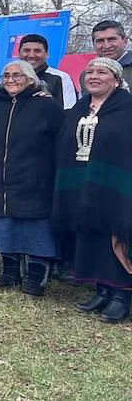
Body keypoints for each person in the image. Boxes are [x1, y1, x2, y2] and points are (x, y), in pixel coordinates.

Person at [0, 59, 64, 296]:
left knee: (36, 231)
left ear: (30, 79)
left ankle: (37, 278)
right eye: (6, 75)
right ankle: (10, 273)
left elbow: (62, 142)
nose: (10, 80)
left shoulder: (46, 106)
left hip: (35, 179)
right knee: (5, 226)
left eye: (17, 75)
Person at [53, 57, 132, 323]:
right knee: (90, 232)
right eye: (90, 72)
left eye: (102, 72)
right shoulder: (80, 106)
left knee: (115, 233)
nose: (94, 76)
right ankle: (101, 289)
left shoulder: (126, 108)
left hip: (115, 182)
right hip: (82, 180)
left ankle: (121, 294)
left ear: (116, 79)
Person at [17, 33, 77, 109]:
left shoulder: (61, 78)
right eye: (26, 50)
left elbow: (69, 111)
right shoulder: (9, 79)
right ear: (18, 54)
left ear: (46, 54)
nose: (31, 55)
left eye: (37, 51)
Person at [85, 20, 132, 86]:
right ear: (93, 44)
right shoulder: (87, 76)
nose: (106, 46)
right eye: (100, 41)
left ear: (125, 41)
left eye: (111, 39)